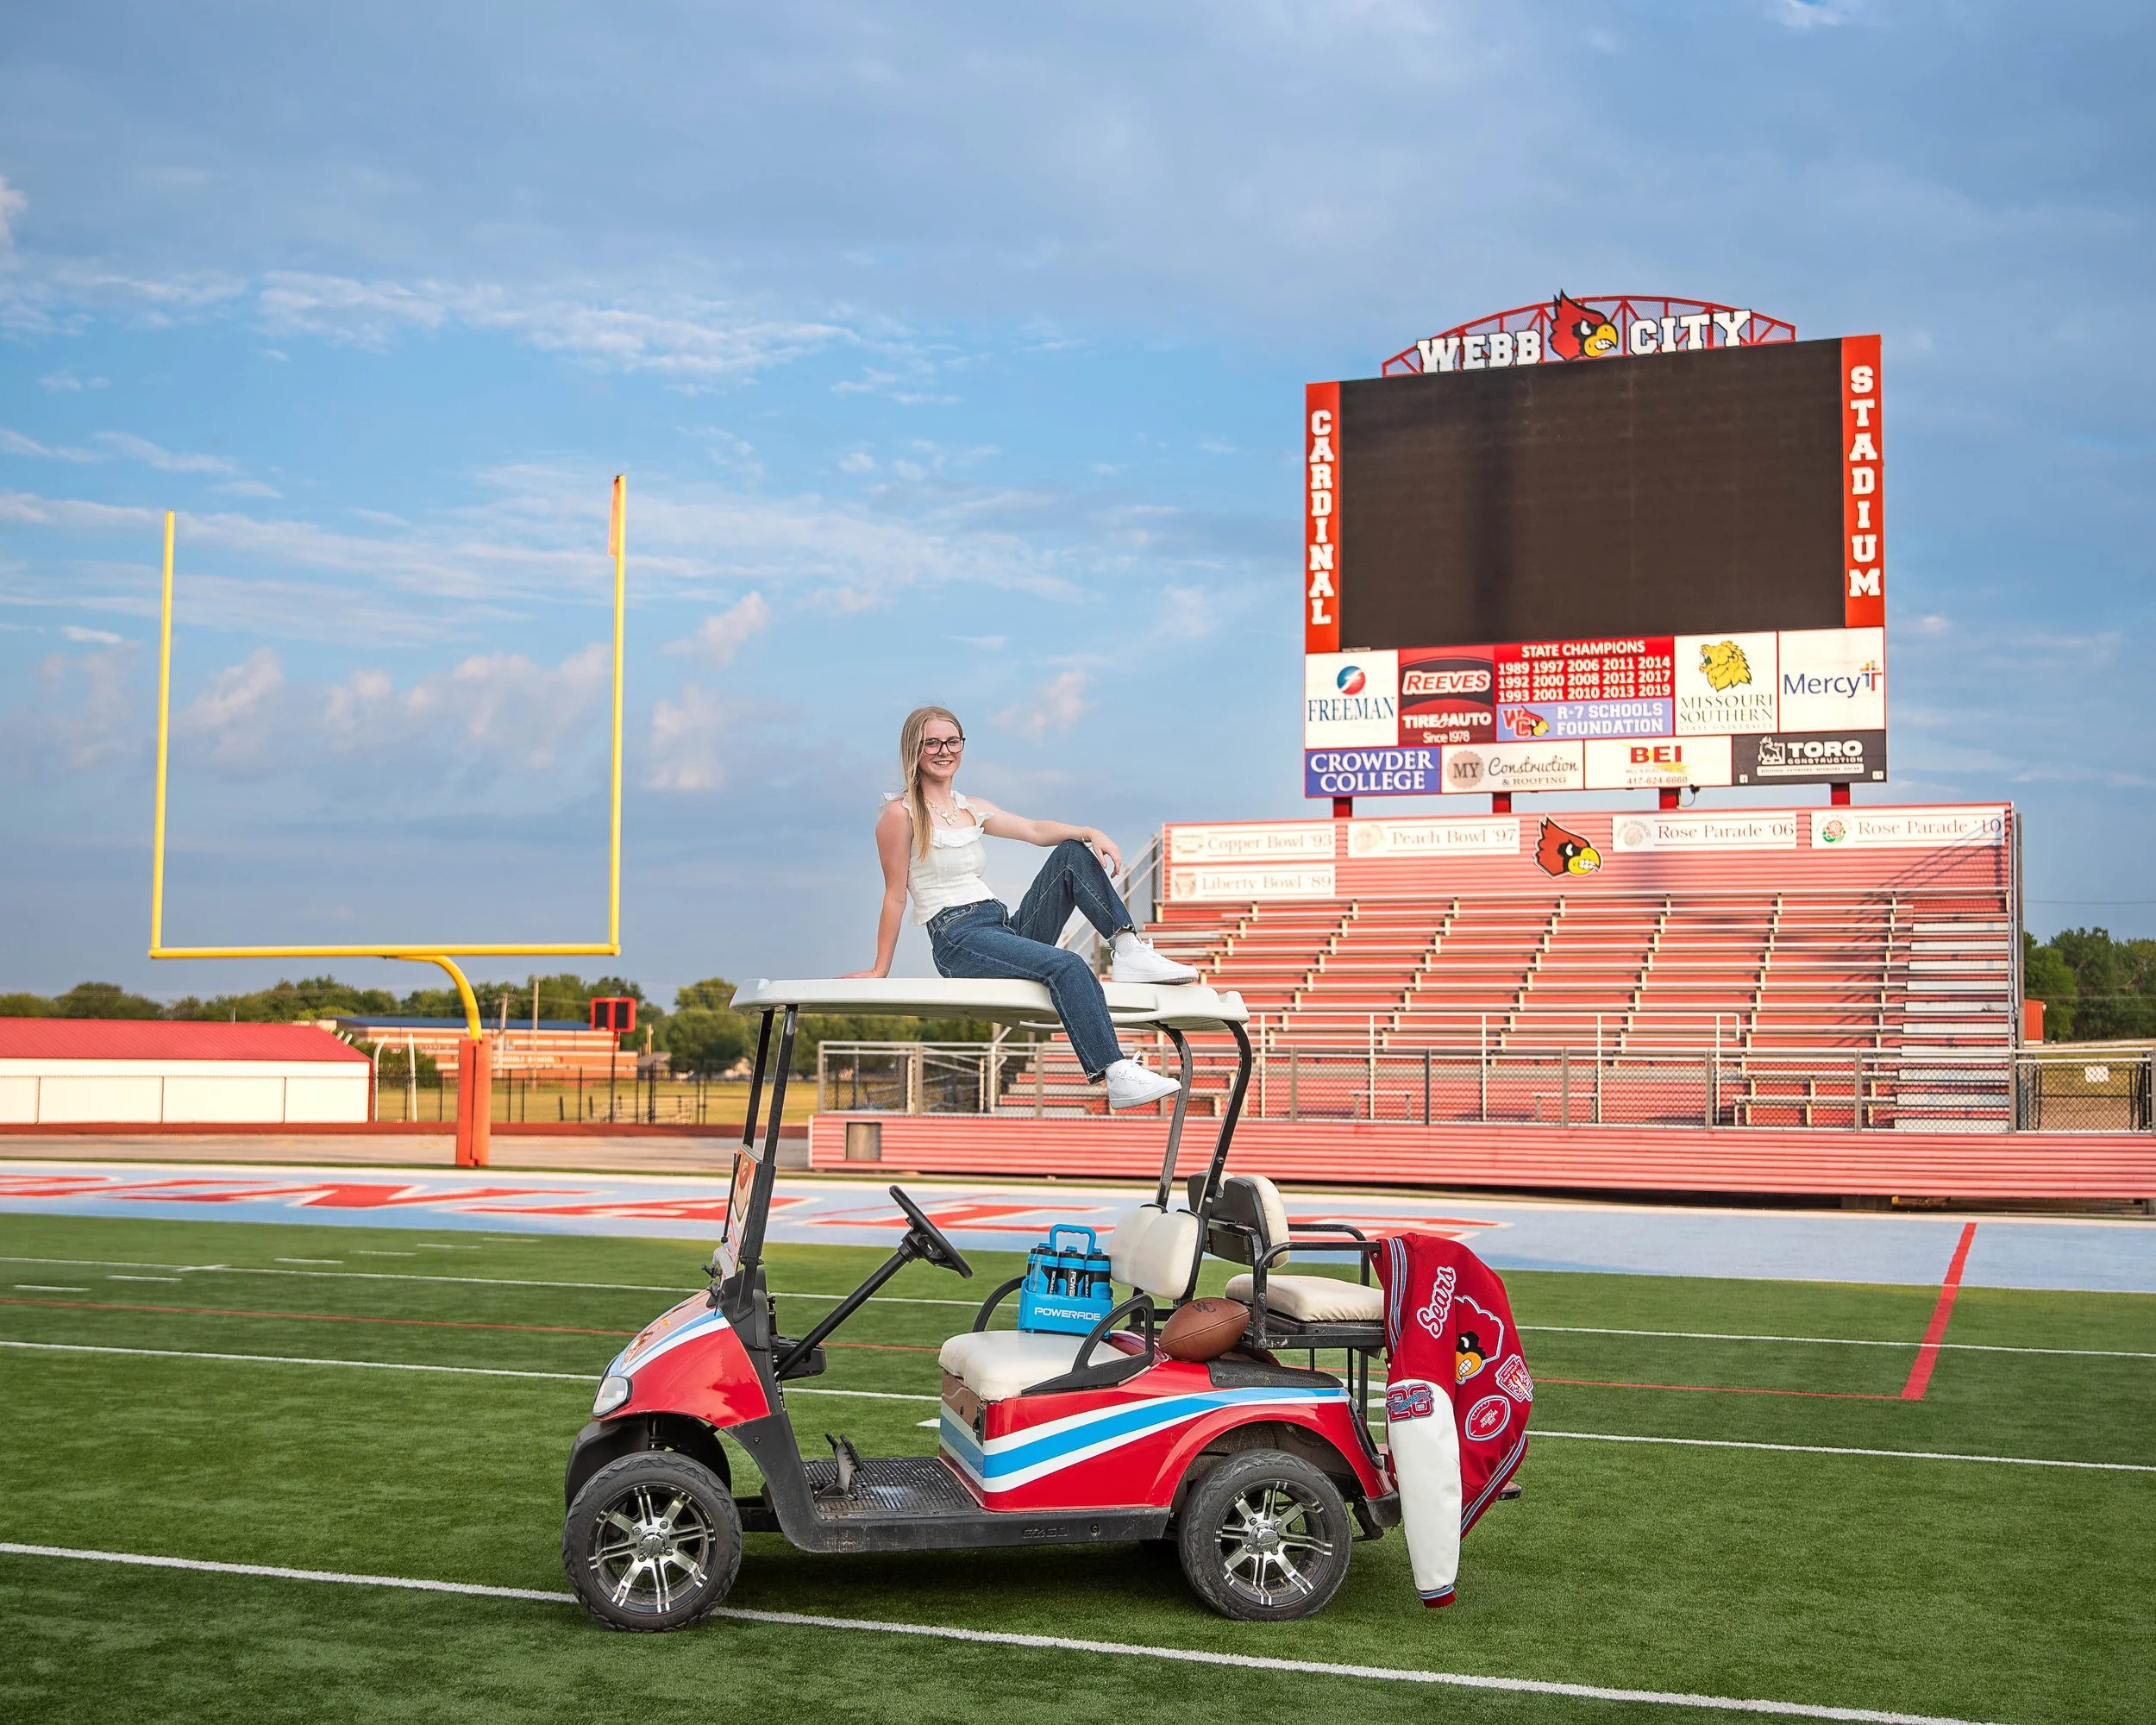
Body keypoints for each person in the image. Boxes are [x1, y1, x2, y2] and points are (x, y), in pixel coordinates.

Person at [844, 705, 1199, 1110]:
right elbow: (894, 894)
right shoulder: (899, 815)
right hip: (958, 937)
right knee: (1069, 964)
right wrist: (879, 968)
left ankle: (1128, 947)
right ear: (915, 749)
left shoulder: (969, 806)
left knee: (1070, 852)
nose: (945, 750)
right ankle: (1114, 1071)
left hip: (1001, 925)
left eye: (953, 741)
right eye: (933, 742)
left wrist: (1090, 831)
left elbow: (1033, 830)